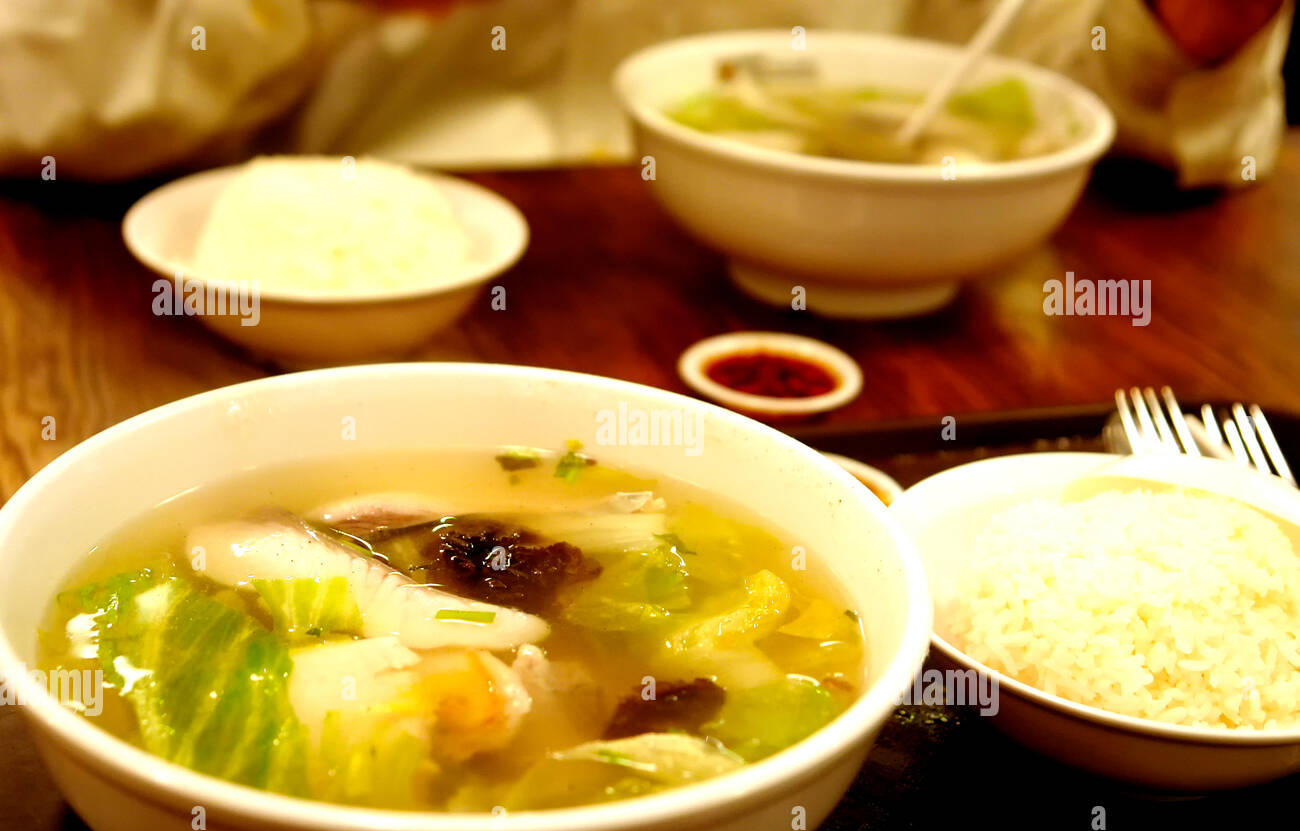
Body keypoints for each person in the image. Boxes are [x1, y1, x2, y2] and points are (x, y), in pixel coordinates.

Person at [0, 0, 1290, 187]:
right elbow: (27, 83)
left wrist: (1190, 32)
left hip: (904, 350)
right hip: (356, 291)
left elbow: (1064, 78)